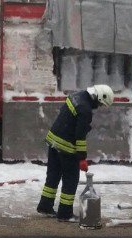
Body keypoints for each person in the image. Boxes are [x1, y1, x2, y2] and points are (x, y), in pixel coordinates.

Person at [37, 84, 114, 221]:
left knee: (53, 176)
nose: (99, 107)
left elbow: (69, 119)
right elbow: (80, 137)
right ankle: (65, 214)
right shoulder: (85, 110)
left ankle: (45, 206)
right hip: (66, 146)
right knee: (71, 180)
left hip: (53, 140)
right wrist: (82, 159)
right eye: (100, 104)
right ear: (98, 97)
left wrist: (83, 126)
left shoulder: (76, 96)